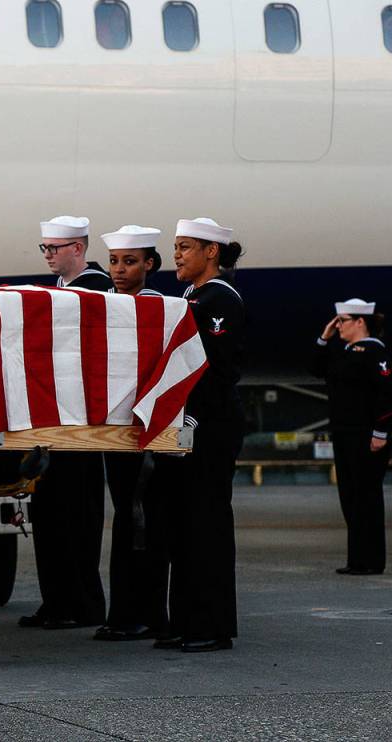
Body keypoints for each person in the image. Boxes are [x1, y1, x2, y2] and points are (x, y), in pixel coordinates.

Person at [157, 217, 245, 653]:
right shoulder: (193, 296)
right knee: (183, 525)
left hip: (210, 424)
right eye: (176, 246)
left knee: (206, 523)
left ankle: (212, 625)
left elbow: (217, 369)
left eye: (186, 246)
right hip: (188, 424)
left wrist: (191, 415)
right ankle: (187, 621)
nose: (177, 254)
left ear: (212, 252)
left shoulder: (220, 299)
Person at [20, 216, 109, 631]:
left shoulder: (97, 287)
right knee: (50, 512)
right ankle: (56, 599)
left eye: (54, 248)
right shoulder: (60, 289)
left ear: (78, 248)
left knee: (77, 513)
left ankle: (82, 602)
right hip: (54, 419)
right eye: (44, 248)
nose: (48, 255)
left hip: (81, 421)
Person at [93, 225, 169, 642]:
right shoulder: (109, 304)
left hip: (144, 428)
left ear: (150, 265)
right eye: (115, 262)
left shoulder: (159, 307)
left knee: (143, 522)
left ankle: (145, 613)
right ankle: (124, 610)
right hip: (115, 428)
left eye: (130, 262)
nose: (119, 270)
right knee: (126, 518)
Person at [310, 298, 392, 575]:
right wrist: (324, 339)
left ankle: (371, 560)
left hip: (367, 436)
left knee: (366, 499)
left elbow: (388, 394)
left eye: (343, 321)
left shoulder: (374, 352)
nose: (338, 327)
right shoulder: (346, 352)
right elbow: (315, 369)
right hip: (345, 434)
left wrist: (380, 432)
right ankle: (358, 559)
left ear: (360, 322)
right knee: (350, 498)